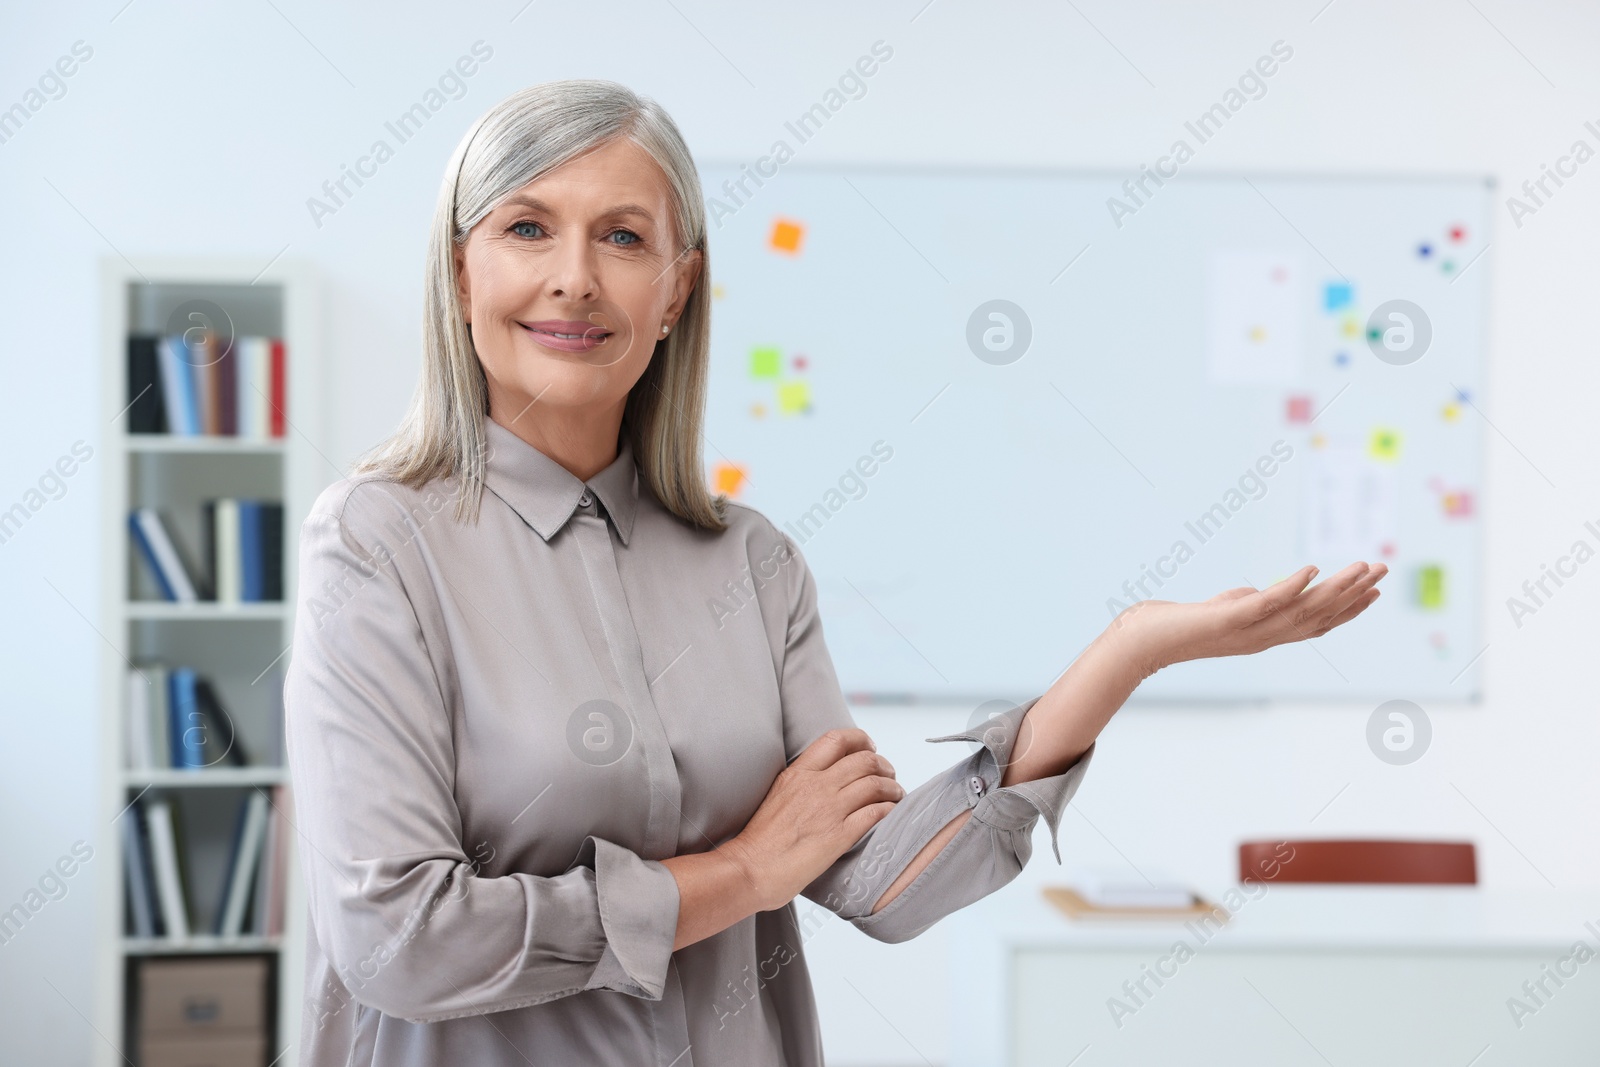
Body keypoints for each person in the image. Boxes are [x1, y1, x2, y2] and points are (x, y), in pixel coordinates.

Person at [283, 78, 1387, 1066]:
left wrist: (1129, 649)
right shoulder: (379, 543)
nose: (574, 279)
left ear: (676, 291)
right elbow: (400, 941)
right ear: (461, 266)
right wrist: (744, 876)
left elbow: (878, 884)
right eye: (528, 227)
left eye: (623, 237)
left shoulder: (753, 565)